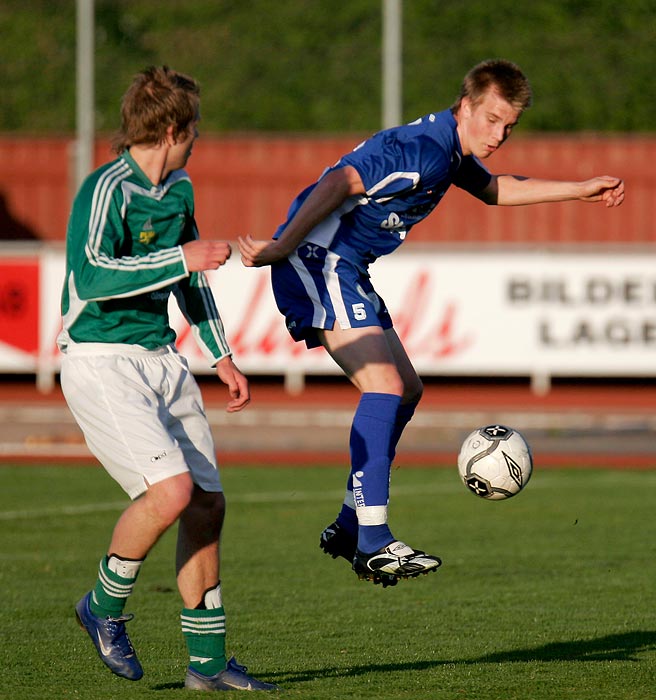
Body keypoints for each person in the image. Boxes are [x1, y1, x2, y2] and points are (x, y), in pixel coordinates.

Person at [237, 59, 625, 588]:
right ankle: (374, 538)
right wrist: (281, 243)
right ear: (465, 106)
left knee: (408, 391)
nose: (499, 134)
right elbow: (340, 181)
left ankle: (353, 524)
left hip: (345, 267)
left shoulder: (451, 149)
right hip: (315, 260)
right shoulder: (423, 150)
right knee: (385, 385)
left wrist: (579, 189)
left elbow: (495, 190)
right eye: (490, 119)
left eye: (509, 126)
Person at [58, 66, 278, 691]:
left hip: (159, 359)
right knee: (172, 493)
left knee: (207, 503)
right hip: (101, 358)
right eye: (196, 128)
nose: (198, 138)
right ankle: (101, 607)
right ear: (174, 128)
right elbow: (93, 277)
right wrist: (183, 254)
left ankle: (207, 667)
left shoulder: (178, 187)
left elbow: (188, 281)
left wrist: (222, 356)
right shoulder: (106, 189)